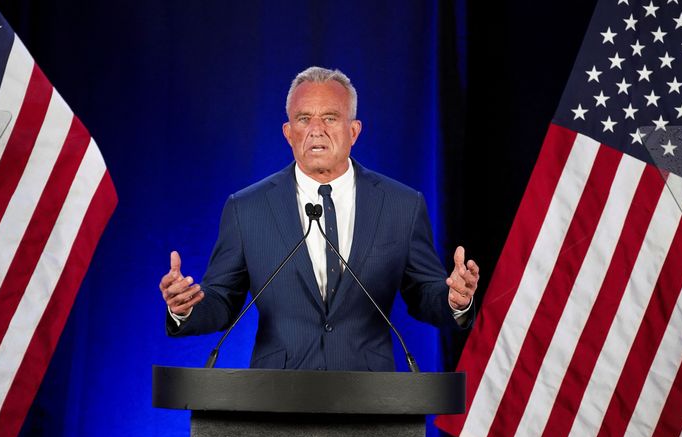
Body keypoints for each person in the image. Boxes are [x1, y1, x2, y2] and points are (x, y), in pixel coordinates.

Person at [159, 66, 480, 371]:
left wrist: (454, 300)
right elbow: (222, 300)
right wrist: (186, 308)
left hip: (371, 401)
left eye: (330, 117)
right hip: (275, 400)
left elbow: (424, 294)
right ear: (288, 132)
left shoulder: (402, 204)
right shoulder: (247, 208)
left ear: (353, 131)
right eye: (303, 119)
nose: (316, 130)